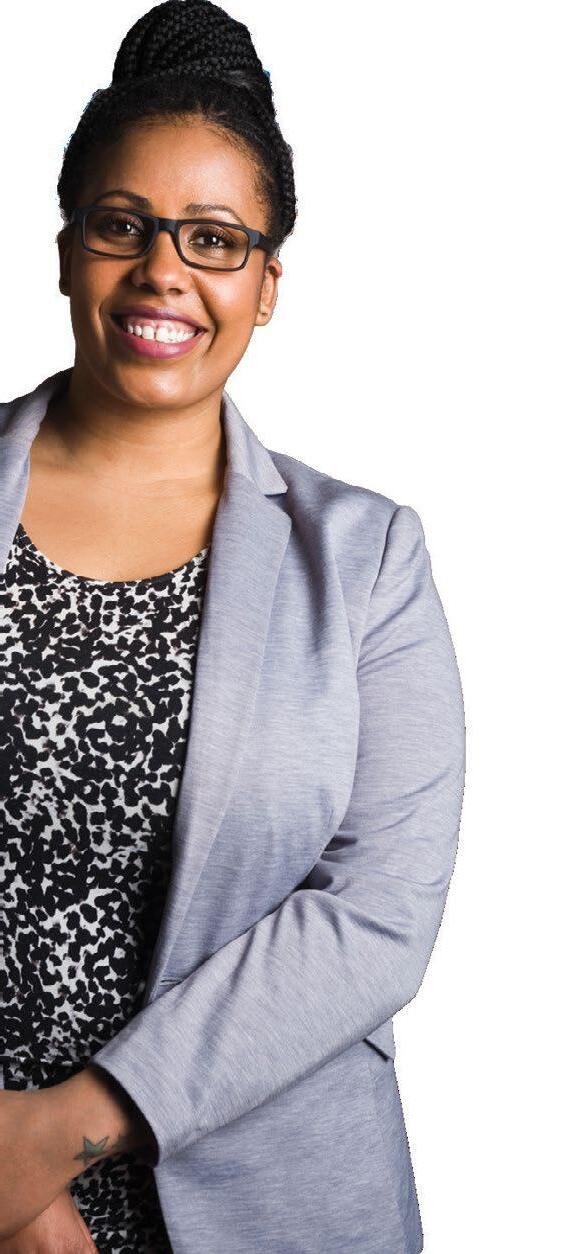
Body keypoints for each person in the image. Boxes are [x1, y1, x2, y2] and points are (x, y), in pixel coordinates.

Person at [0, 1, 466, 1251]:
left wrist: (56, 1136)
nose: (165, 271)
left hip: (278, 1208)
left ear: (266, 286)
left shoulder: (367, 559)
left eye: (213, 240)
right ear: (66, 250)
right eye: (123, 225)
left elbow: (378, 913)